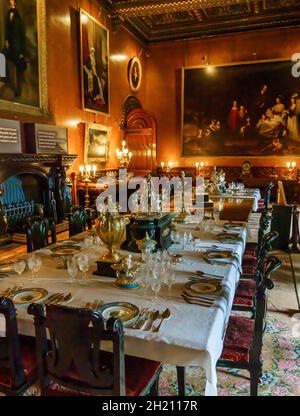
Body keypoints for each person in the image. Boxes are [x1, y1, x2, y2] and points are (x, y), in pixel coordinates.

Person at [2, 0, 26, 98]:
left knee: (19, 67)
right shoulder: (8, 13)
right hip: (10, 45)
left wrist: (22, 52)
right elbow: (7, 29)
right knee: (1, 55)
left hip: (18, 46)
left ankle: (18, 90)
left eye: (12, 0)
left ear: (15, 3)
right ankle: (3, 77)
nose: (10, 1)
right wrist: (6, 40)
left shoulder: (18, 17)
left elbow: (22, 35)